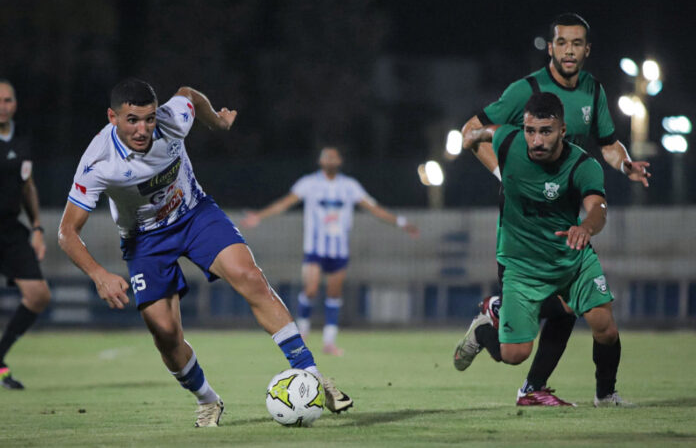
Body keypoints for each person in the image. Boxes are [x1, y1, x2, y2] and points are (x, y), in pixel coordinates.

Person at [58, 78, 352, 427]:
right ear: (113, 117)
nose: (143, 128)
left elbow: (187, 95)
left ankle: (313, 377)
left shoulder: (172, 118)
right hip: (145, 240)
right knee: (165, 334)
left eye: (149, 118)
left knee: (250, 277)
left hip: (195, 214)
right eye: (132, 119)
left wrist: (217, 120)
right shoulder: (98, 162)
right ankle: (208, 400)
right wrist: (99, 274)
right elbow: (66, 232)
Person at [453, 13, 650, 405]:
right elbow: (471, 132)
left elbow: (608, 144)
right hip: (525, 220)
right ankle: (504, 329)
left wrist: (625, 162)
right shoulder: (524, 91)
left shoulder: (593, 92)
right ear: (552, 46)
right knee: (553, 315)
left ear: (587, 49)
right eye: (563, 43)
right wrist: (504, 175)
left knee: (575, 313)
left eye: (577, 43)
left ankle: (541, 386)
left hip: (566, 216)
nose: (570, 50)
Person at [461, 92, 630, 407]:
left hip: (571, 258)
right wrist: (476, 141)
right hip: (521, 265)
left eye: (546, 131)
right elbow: (478, 133)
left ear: (563, 130)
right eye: (530, 130)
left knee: (604, 326)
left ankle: (605, 396)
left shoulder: (582, 164)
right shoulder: (510, 142)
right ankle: (486, 327)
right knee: (514, 354)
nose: (536, 140)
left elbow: (598, 207)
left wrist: (586, 227)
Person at [241, 147, 419, 355]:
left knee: (334, 294)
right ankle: (303, 332)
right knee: (311, 290)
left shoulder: (349, 186)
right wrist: (259, 216)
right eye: (327, 156)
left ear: (340, 161)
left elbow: (374, 208)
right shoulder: (309, 183)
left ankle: (329, 342)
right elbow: (285, 203)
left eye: (334, 156)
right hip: (315, 248)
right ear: (320, 161)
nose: (330, 159)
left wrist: (401, 222)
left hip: (339, 250)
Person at [0, 79, 52, 390]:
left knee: (38, 295)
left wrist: (37, 228)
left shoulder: (23, 139)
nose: (1, 106)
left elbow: (28, 186)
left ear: (14, 104)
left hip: (9, 230)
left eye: (7, 100)